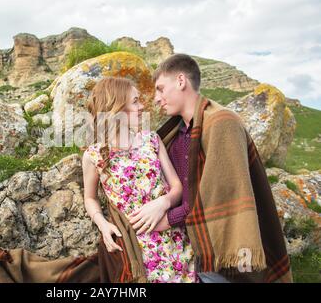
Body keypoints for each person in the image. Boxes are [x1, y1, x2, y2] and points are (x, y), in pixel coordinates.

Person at [128, 53, 292, 283]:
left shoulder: (222, 123)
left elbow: (217, 197)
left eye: (160, 89)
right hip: (185, 248)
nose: (156, 98)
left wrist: (166, 218)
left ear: (181, 81)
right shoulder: (174, 135)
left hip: (219, 250)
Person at [82, 76, 198, 283]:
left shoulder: (151, 140)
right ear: (116, 109)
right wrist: (102, 224)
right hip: (136, 246)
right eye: (135, 101)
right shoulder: (94, 155)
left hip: (173, 238)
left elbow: (177, 186)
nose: (142, 106)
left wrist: (163, 203)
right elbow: (90, 198)